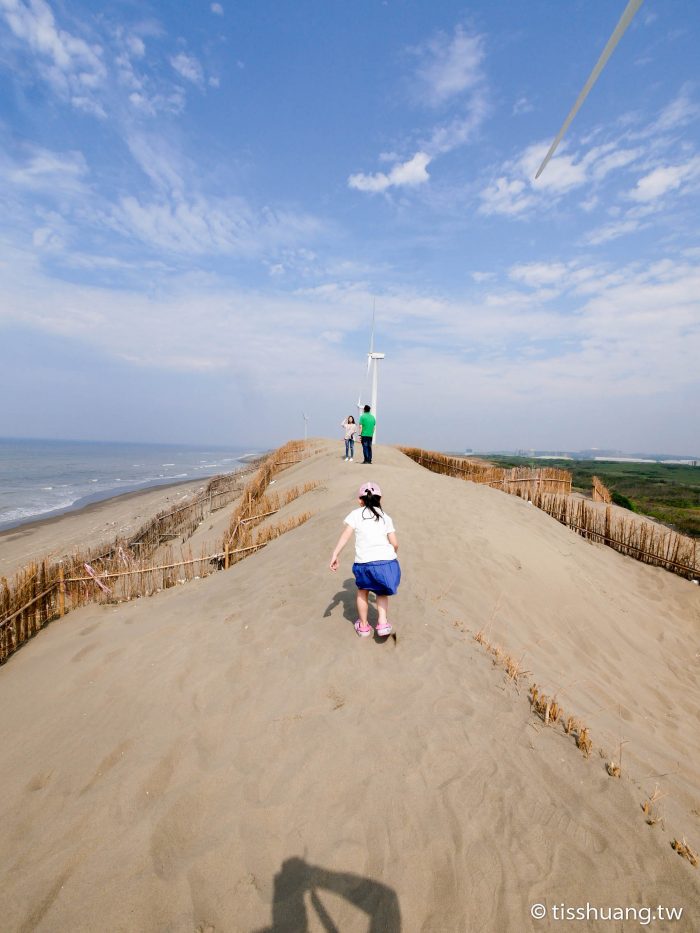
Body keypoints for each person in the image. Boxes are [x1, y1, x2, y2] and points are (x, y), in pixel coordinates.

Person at [329, 481, 400, 638]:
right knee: (381, 593)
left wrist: (335, 554)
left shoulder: (355, 514)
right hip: (387, 562)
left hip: (364, 564)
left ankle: (363, 627)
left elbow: (346, 535)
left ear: (360, 500)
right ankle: (382, 624)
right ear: (379, 499)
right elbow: (395, 543)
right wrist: (390, 555)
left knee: (362, 592)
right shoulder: (385, 517)